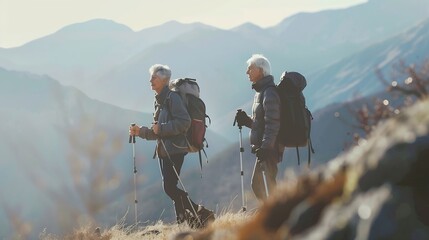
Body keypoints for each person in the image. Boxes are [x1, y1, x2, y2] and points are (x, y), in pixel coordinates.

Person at [129, 64, 214, 227]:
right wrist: (140, 131)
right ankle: (185, 221)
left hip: (175, 148)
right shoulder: (159, 100)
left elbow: (184, 122)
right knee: (171, 187)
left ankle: (202, 213)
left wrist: (161, 128)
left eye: (154, 77)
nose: (150, 80)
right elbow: (157, 131)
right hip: (164, 149)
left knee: (169, 187)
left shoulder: (172, 98)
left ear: (164, 80)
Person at [235, 54, 282, 201]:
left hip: (270, 148)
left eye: (250, 69)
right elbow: (261, 124)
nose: (247, 72)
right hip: (266, 147)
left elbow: (273, 123)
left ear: (261, 70)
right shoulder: (261, 92)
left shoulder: (269, 93)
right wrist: (246, 121)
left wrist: (266, 148)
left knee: (263, 184)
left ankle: (276, 217)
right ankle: (274, 216)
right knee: (262, 184)